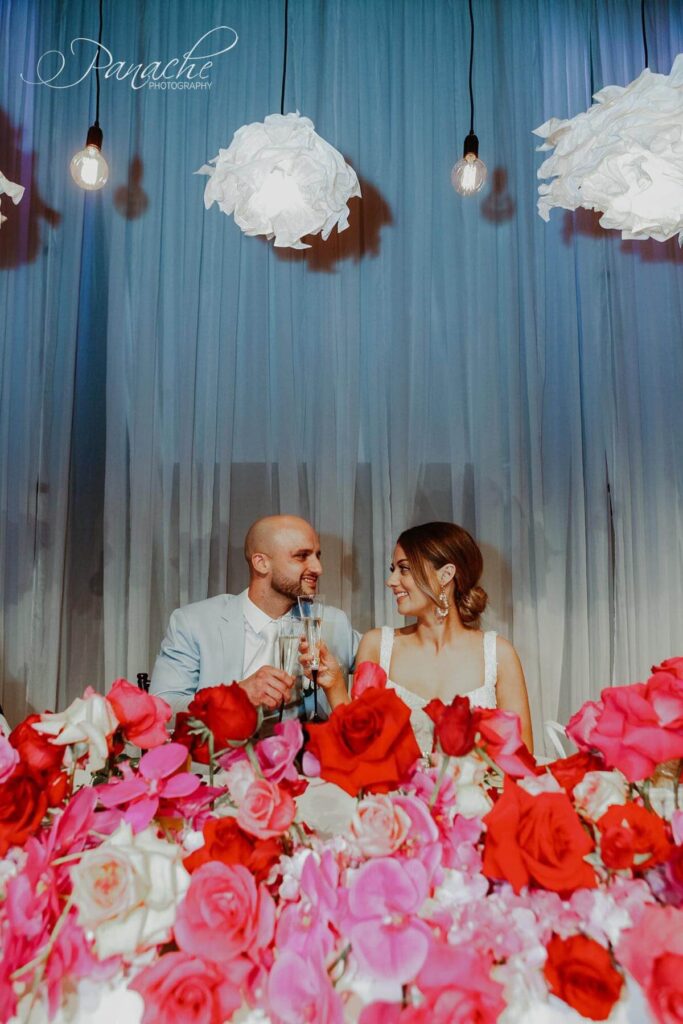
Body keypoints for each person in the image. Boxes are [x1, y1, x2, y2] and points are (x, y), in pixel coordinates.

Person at [303, 521, 533, 753]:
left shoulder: (498, 654)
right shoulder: (377, 646)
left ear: (445, 575)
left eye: (404, 569)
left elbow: (522, 757)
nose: (391, 581)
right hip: (396, 790)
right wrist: (334, 686)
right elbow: (360, 748)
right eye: (392, 569)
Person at [150, 515, 358, 718]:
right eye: (302, 556)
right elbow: (161, 710)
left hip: (308, 750)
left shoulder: (333, 623)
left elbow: (386, 656)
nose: (318, 568)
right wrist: (236, 697)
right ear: (261, 563)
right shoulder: (194, 622)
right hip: (224, 752)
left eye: (317, 556)